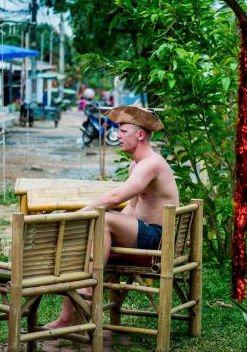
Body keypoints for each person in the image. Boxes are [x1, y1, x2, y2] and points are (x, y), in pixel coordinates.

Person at [46, 105, 179, 329]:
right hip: (142, 233)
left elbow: (116, 197)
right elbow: (131, 208)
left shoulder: (152, 164)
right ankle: (67, 317)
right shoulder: (136, 166)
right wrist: (100, 228)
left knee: (103, 218)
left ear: (140, 135)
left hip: (157, 239)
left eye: (123, 131)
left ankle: (87, 290)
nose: (117, 136)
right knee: (91, 230)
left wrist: (81, 214)